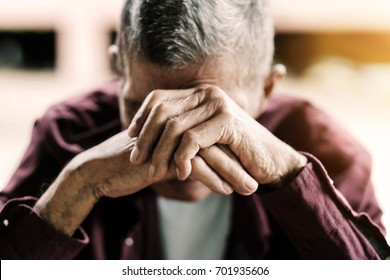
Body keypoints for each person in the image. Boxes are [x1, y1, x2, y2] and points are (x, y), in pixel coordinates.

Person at [0, 0, 389, 260]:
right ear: (118, 71)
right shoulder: (67, 134)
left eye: (211, 119)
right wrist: (79, 185)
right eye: (142, 111)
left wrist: (289, 177)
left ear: (267, 88)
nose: (179, 156)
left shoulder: (328, 151)